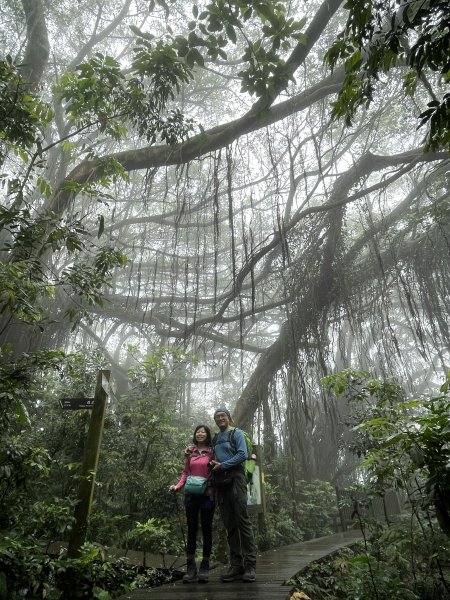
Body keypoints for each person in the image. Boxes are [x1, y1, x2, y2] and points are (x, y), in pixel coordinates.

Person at [210, 407, 257, 583]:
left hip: (236, 479)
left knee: (242, 521)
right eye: (217, 417)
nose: (220, 419)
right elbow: (209, 454)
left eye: (223, 416)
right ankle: (236, 565)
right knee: (229, 524)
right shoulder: (215, 438)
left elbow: (243, 455)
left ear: (229, 418)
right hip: (222, 482)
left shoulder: (235, 434)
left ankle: (250, 565)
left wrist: (222, 465)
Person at [169, 424, 215, 583]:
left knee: (207, 529)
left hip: (207, 495)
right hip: (190, 495)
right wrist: (177, 486)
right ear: (195, 435)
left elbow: (217, 470)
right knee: (192, 530)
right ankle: (190, 568)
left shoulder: (212, 452)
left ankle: (204, 567)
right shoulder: (190, 453)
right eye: (198, 432)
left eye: (203, 432)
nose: (200, 434)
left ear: (207, 435)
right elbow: (185, 473)